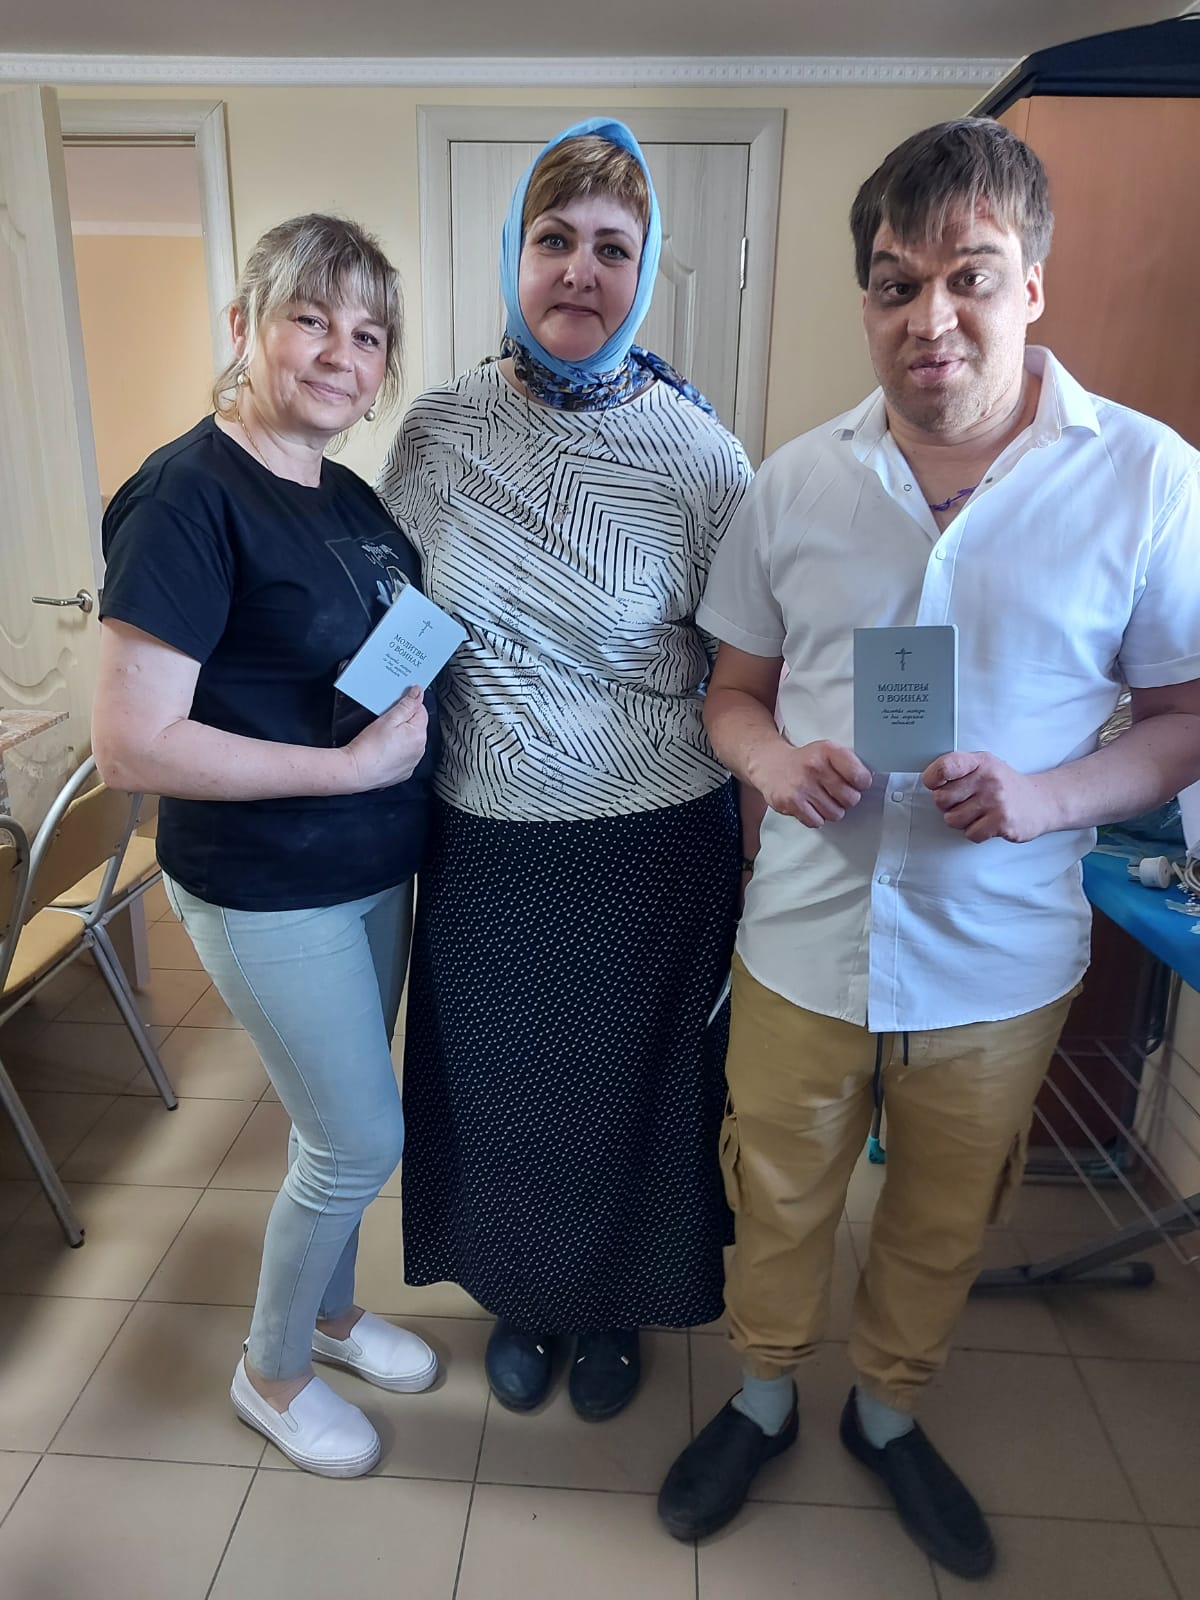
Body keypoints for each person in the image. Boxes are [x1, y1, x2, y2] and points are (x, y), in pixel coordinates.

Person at [657, 118, 1200, 1577]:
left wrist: (1050, 797)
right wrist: (775, 761)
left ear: (1035, 285)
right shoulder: (795, 483)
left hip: (1001, 955)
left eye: (972, 276)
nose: (932, 317)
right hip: (804, 937)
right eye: (898, 284)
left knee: (945, 1210)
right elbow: (731, 695)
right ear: (868, 302)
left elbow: (1184, 717)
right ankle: (763, 1396)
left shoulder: (1148, 480)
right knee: (777, 1190)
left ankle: (888, 1413)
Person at [377, 119, 753, 1420]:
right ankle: (522, 1299)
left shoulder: (702, 457)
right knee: (504, 1095)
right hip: (485, 840)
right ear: (513, 256)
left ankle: (613, 1310)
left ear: (643, 274)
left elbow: (743, 668)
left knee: (633, 1102)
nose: (580, 271)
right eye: (555, 240)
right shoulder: (438, 433)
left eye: (612, 248)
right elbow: (396, 626)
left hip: (653, 844)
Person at [91, 214, 442, 1479]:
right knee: (356, 1138)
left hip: (370, 868)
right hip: (267, 887)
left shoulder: (346, 494)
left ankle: (333, 1315)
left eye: (369, 333)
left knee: (331, 1128)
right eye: (311, 318)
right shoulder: (187, 495)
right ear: (244, 327)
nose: (343, 353)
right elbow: (132, 744)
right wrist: (344, 770)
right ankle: (272, 1367)